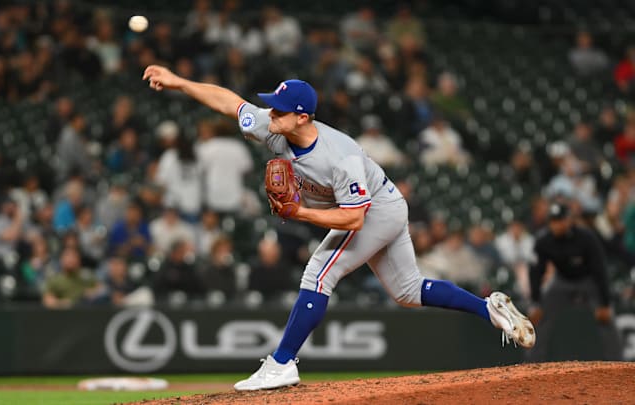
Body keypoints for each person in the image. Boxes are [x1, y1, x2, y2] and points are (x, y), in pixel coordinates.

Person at [142, 65, 535, 391]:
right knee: (408, 291)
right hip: (385, 202)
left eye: (279, 110)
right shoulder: (273, 126)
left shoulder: (339, 155)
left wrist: (300, 213)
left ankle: (282, 363)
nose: (270, 114)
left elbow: (354, 219)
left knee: (318, 273)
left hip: (375, 209)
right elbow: (230, 102)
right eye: (272, 109)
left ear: (303, 117)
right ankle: (489, 309)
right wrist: (178, 82)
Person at [527, 202, 622, 362]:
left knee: (607, 318)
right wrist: (536, 302)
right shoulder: (544, 241)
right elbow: (536, 272)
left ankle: (617, 363)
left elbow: (600, 270)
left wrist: (605, 303)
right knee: (539, 316)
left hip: (588, 280)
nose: (556, 225)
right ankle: (532, 364)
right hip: (562, 281)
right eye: (553, 221)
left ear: (568, 220)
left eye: (560, 220)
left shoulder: (586, 237)